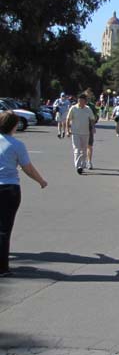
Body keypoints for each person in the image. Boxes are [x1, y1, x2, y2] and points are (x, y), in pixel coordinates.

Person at [0, 111, 47, 276]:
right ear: (13, 126)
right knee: (4, 229)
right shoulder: (16, 145)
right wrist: (41, 181)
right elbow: (28, 168)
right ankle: (2, 268)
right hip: (9, 189)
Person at [66, 93, 95, 175]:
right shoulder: (73, 108)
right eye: (79, 100)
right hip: (75, 133)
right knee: (77, 149)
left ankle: (82, 165)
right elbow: (68, 119)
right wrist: (68, 130)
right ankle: (78, 166)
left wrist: (93, 128)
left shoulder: (88, 109)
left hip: (85, 133)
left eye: (82, 100)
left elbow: (92, 119)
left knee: (84, 150)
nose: (80, 102)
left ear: (85, 101)